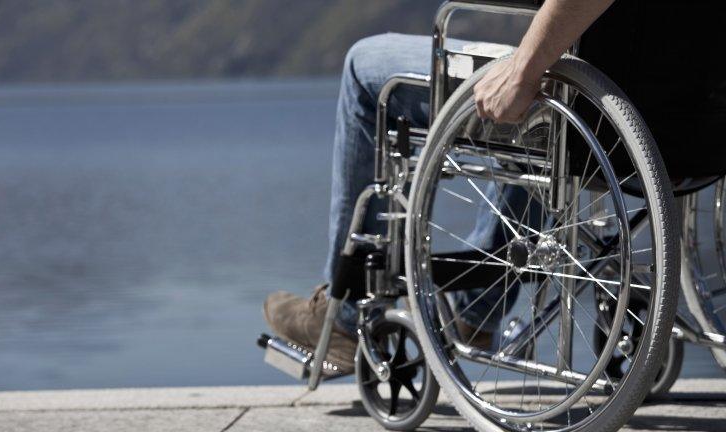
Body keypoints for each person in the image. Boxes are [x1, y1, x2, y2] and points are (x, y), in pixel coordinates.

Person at [263, 0, 726, 373]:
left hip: (594, 113)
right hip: (693, 136)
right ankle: (475, 310)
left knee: (365, 64)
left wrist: (525, 66)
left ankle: (344, 315)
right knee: (545, 100)